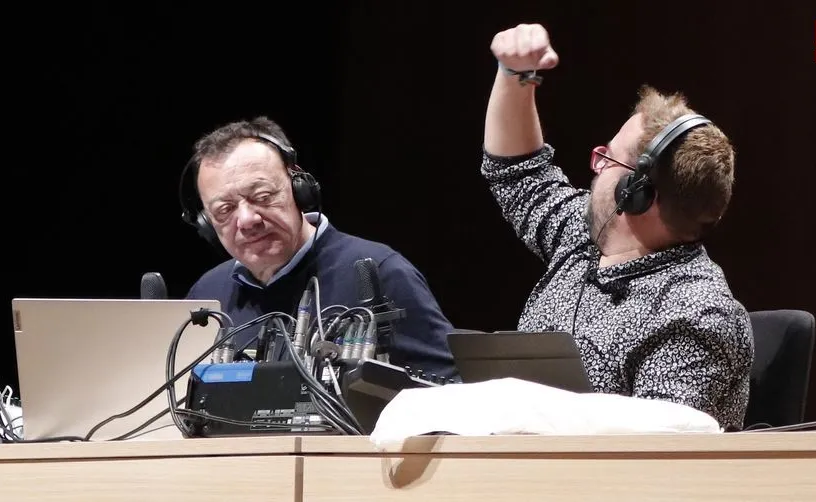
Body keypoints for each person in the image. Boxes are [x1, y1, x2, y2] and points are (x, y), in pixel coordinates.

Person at [482, 23, 754, 430]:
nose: (596, 168)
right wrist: (516, 75)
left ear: (637, 193)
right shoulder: (585, 234)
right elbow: (519, 175)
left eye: (607, 159)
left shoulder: (696, 313)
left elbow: (654, 451)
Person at [180, 116, 457, 379]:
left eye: (262, 197)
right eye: (225, 209)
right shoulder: (207, 295)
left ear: (300, 188)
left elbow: (449, 388)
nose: (247, 220)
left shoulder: (376, 272)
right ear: (205, 222)